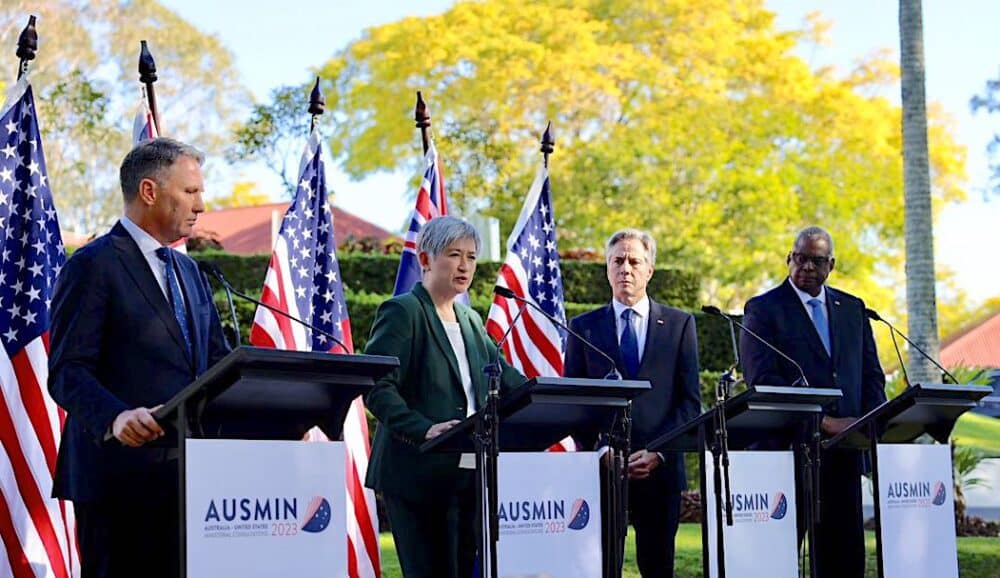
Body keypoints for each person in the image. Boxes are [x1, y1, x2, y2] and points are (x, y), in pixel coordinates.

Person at [48, 138, 229, 578]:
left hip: (188, 482)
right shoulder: (93, 265)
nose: (201, 205)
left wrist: (281, 421)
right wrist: (116, 417)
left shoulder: (191, 271)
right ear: (149, 191)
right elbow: (67, 370)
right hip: (117, 485)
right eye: (190, 192)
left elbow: (220, 367)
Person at [364, 216, 525, 578]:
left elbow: (508, 379)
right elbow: (377, 387)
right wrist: (424, 429)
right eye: (454, 255)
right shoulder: (403, 311)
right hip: (417, 473)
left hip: (468, 474)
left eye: (471, 256)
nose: (465, 265)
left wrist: (549, 394)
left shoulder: (469, 320)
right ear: (425, 259)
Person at [739, 226, 886, 578]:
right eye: (800, 258)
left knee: (844, 559)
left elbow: (871, 377)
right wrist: (822, 422)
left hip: (845, 457)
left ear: (831, 265)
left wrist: (870, 424)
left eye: (816, 260)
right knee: (777, 561)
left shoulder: (853, 309)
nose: (806, 266)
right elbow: (764, 382)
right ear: (789, 259)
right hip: (790, 454)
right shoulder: (763, 310)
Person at [564, 228, 702, 578]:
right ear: (607, 269)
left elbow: (689, 403)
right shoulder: (583, 328)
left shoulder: (679, 325)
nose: (626, 268)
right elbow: (574, 403)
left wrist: (658, 453)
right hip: (603, 472)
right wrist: (601, 451)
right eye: (617, 261)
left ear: (649, 269)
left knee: (658, 567)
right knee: (601, 567)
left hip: (661, 472)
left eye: (634, 261)